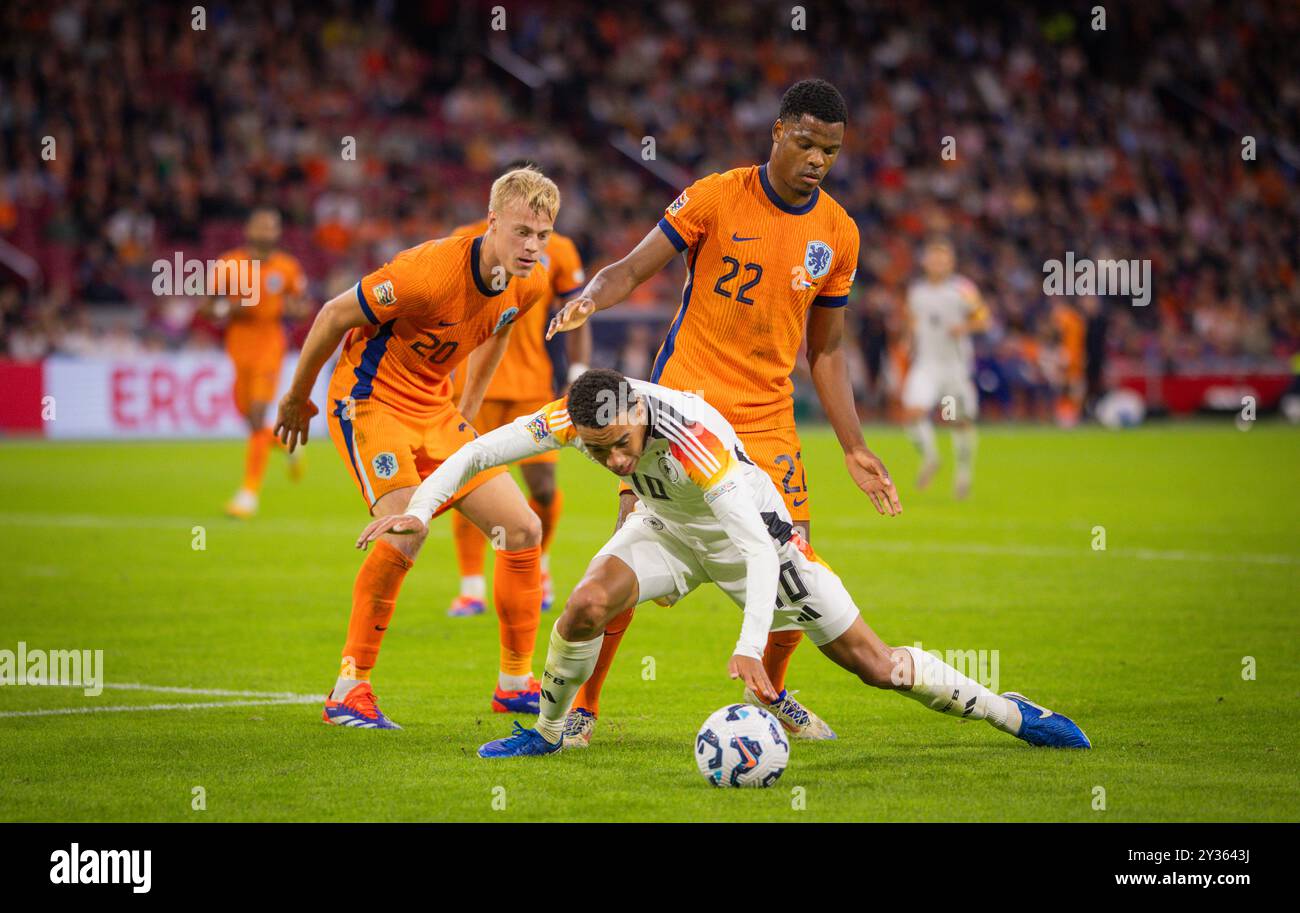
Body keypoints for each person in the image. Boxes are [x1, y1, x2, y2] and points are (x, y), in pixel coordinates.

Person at [356, 369, 1091, 756]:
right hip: (667, 530)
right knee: (582, 605)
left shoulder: (694, 441)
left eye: (621, 444)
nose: (615, 460)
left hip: (757, 544)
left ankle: (1012, 713)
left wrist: (748, 646)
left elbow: (755, 550)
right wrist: (422, 506)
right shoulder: (578, 418)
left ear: (638, 413)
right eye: (599, 451)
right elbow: (481, 450)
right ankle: (546, 731)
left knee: (876, 665)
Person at [545, 78, 900, 746]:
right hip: (678, 410)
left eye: (830, 150)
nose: (818, 159)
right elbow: (632, 268)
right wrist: (591, 297)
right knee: (623, 565)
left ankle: (769, 695)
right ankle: (585, 708)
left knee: (796, 571)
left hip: (767, 421)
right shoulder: (715, 195)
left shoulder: (839, 232)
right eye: (806, 142)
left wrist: (853, 446)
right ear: (778, 132)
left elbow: (826, 349)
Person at [274, 167, 559, 728]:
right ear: (492, 221)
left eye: (542, 235)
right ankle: (348, 689)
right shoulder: (426, 274)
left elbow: (499, 327)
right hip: (369, 401)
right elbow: (332, 315)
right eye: (522, 232)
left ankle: (514, 684)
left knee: (523, 528)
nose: (532, 247)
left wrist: (467, 412)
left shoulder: (529, 284)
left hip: (436, 410)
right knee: (407, 528)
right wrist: (295, 398)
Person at [444, 171, 591, 621]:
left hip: (532, 385)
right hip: (474, 386)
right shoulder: (464, 241)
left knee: (542, 487)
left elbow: (577, 312)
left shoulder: (558, 250)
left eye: (540, 228)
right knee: (467, 483)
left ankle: (539, 565)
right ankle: (471, 587)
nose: (533, 240)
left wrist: (578, 374)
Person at [210, 207, 309, 518]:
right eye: (261, 226)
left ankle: (248, 495)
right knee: (250, 421)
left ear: (277, 233)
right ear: (249, 230)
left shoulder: (287, 267)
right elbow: (207, 307)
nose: (267, 231)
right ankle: (286, 444)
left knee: (256, 414)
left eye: (272, 227)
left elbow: (302, 306)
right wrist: (228, 309)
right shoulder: (229, 264)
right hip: (238, 348)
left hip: (269, 347)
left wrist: (295, 309)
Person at [900, 238, 989, 498]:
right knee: (912, 413)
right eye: (934, 259)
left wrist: (965, 327)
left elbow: (984, 319)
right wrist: (908, 340)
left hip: (954, 369)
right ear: (925, 262)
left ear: (951, 263)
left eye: (943, 260)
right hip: (926, 366)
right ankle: (930, 457)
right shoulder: (917, 292)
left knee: (955, 421)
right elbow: (912, 320)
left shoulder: (963, 289)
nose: (938, 264)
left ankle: (963, 474)